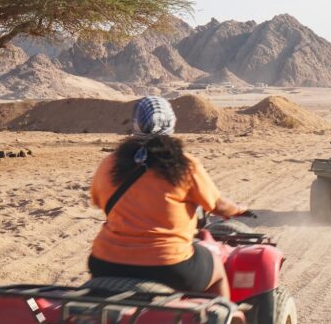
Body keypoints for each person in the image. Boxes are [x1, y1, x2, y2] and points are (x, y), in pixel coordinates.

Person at [88, 96, 248, 298]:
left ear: (136, 124)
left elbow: (97, 199)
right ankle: (223, 322)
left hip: (106, 263)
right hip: (168, 265)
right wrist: (238, 210)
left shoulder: (110, 163)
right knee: (217, 268)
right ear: (171, 123)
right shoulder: (184, 165)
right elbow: (217, 204)